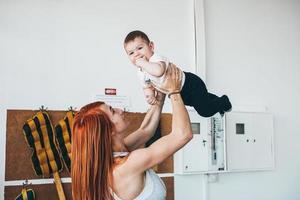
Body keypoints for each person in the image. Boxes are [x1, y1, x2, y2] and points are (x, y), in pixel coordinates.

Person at [71, 64, 193, 200]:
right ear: (109, 131)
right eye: (112, 111)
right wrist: (174, 92)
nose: (120, 110)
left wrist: (160, 94)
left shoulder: (116, 153)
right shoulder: (127, 165)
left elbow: (146, 130)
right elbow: (182, 135)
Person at [123, 30, 232, 117]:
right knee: (199, 102)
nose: (136, 54)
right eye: (131, 53)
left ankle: (223, 101)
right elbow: (146, 86)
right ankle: (215, 101)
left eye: (140, 48)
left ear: (151, 46)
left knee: (204, 111)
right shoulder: (141, 72)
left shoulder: (156, 59)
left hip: (190, 84)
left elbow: (158, 71)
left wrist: (143, 63)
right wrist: (149, 95)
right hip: (179, 92)